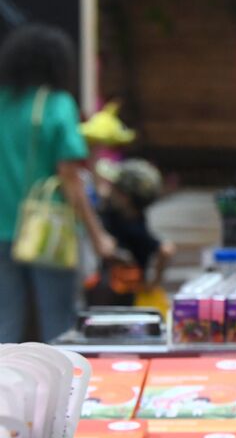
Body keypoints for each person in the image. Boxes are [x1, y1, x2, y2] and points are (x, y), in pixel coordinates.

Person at [0, 25, 117, 343]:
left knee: (6, 322)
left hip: (1, 229)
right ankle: (65, 391)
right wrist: (97, 236)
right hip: (46, 229)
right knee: (58, 322)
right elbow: (70, 179)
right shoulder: (55, 105)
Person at [86, 158, 174, 307]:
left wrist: (153, 284)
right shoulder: (125, 214)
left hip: (122, 296)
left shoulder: (132, 229)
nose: (109, 191)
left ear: (125, 198)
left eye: (114, 188)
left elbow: (167, 250)